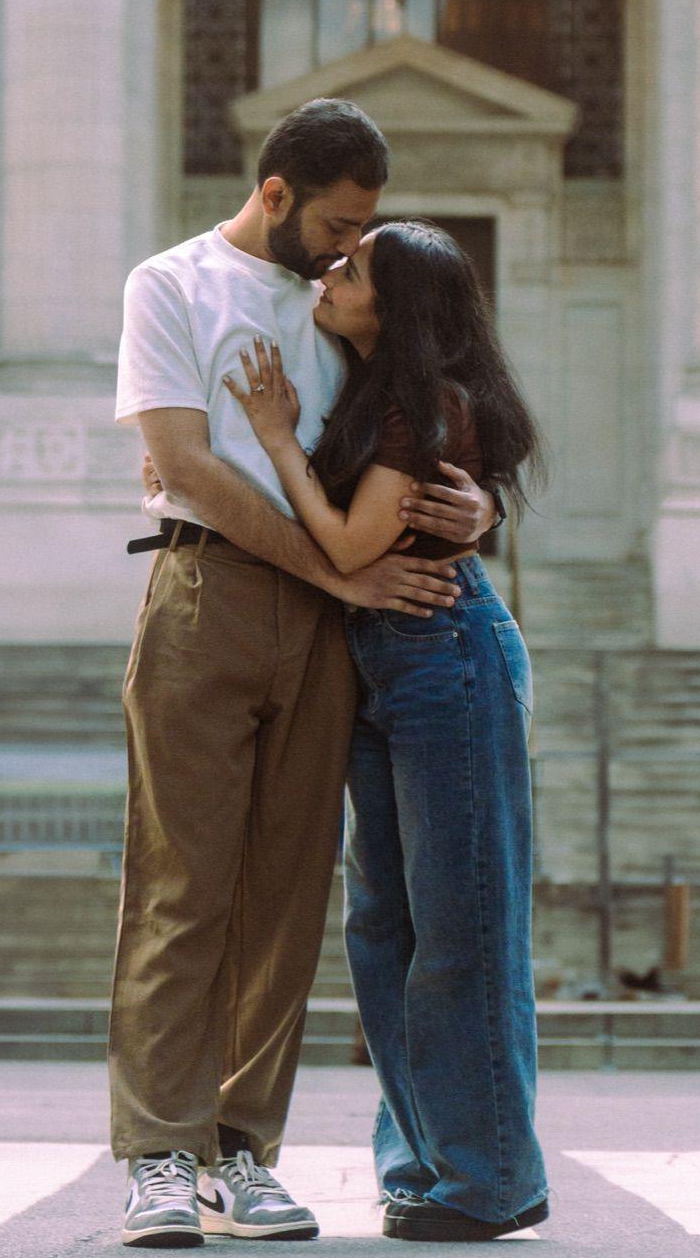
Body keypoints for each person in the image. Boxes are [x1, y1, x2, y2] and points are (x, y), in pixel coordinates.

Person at [110, 100, 498, 1248]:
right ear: (274, 193)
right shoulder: (168, 284)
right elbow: (183, 461)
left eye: (363, 230)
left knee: (288, 894)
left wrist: (475, 504)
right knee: (182, 889)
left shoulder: (347, 305)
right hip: (204, 595)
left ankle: (243, 1153)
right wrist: (336, 578)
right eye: (334, 221)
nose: (347, 249)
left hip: (340, 628)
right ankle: (157, 1157)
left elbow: (431, 412)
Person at [227, 220, 548, 1244]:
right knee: (383, 928)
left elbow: (354, 541)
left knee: (463, 923)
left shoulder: (420, 404)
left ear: (395, 306)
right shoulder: (371, 390)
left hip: (443, 652)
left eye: (352, 267)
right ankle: (422, 1162)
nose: (330, 272)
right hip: (380, 658)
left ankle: (492, 1175)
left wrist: (274, 438)